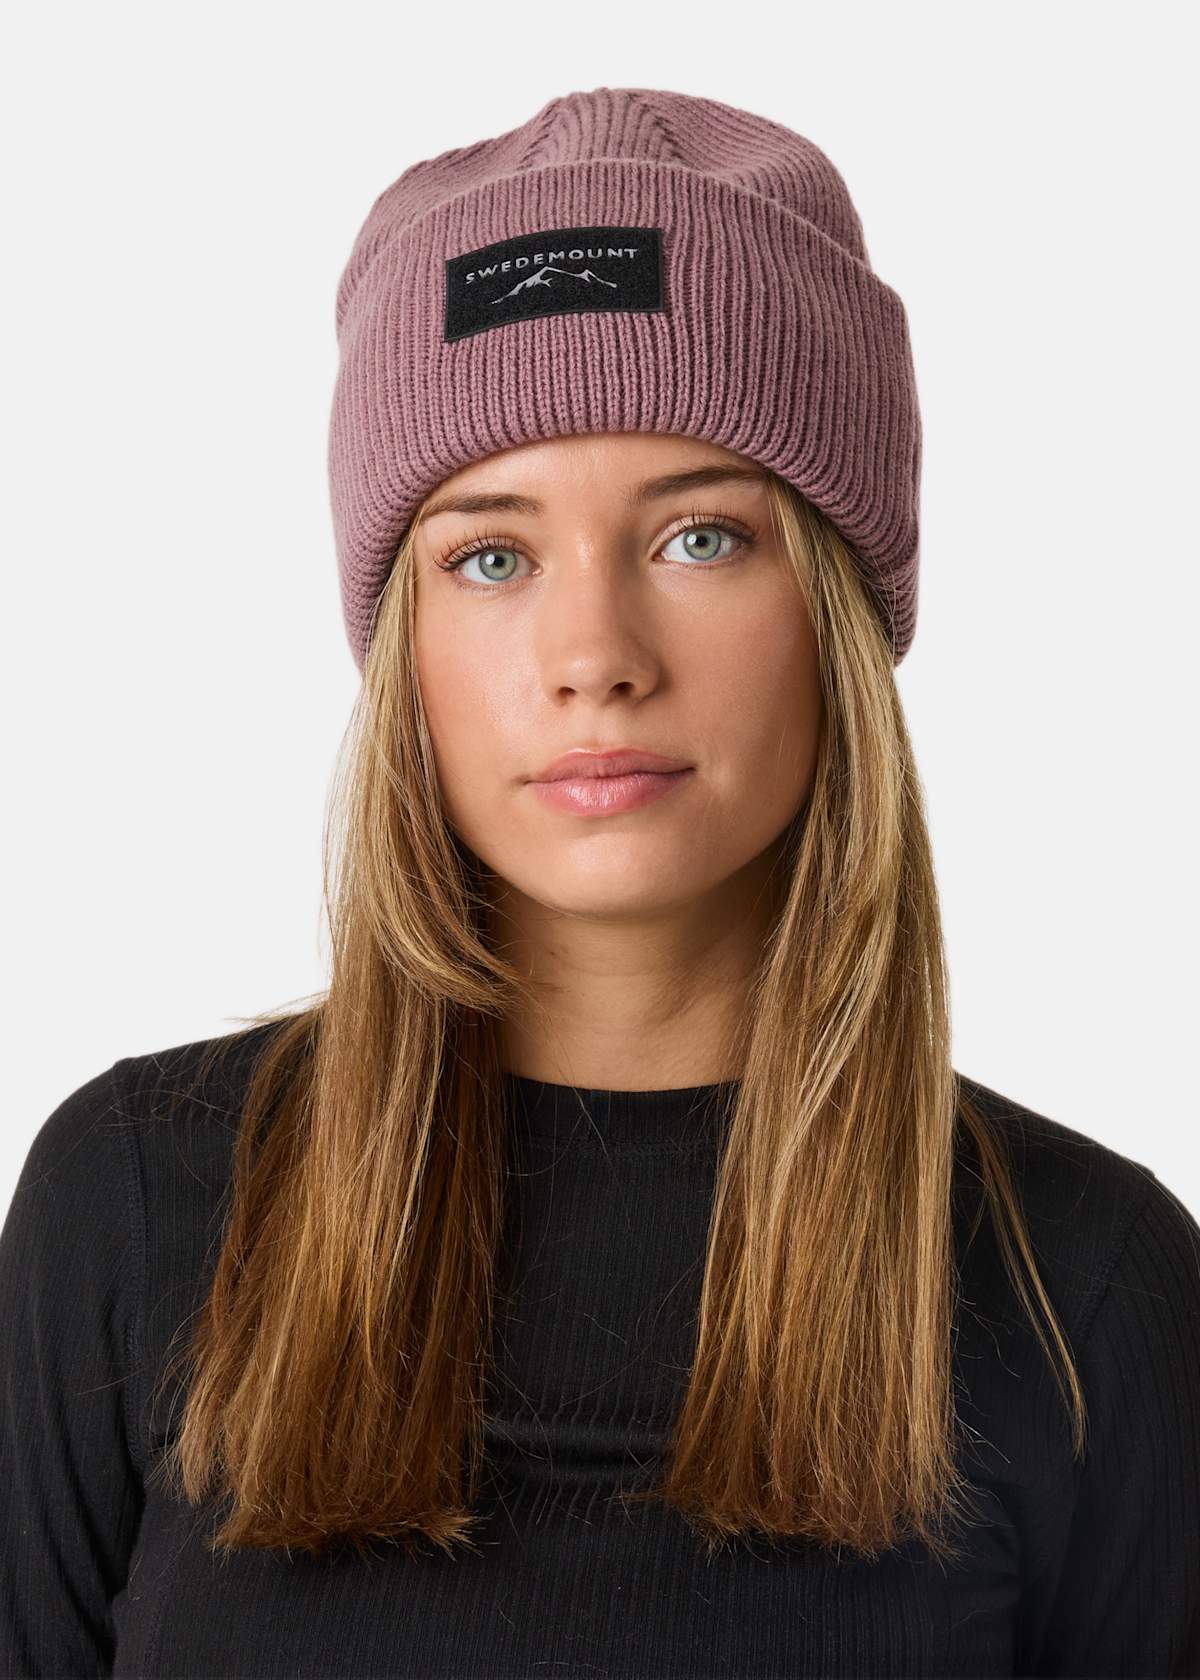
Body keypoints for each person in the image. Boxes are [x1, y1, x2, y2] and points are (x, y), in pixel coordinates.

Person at [2, 85, 1197, 1680]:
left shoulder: (1086, 1287)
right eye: (490, 557)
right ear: (406, 641)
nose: (595, 658)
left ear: (836, 608)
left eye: (701, 538)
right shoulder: (134, 1206)